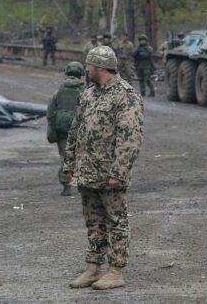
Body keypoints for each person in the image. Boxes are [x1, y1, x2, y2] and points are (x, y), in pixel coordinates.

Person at [64, 45, 144, 290]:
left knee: (116, 221)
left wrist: (119, 172)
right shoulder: (89, 94)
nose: (85, 69)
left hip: (110, 174)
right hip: (87, 172)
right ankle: (93, 267)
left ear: (99, 68)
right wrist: (69, 163)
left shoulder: (125, 95)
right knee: (94, 221)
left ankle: (116, 270)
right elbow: (76, 129)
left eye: (88, 65)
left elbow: (130, 137)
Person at [47, 61, 85, 196]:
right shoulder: (85, 91)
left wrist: (54, 126)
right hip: (80, 129)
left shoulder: (58, 91)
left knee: (65, 157)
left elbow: (50, 112)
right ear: (81, 74)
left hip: (62, 130)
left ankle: (66, 186)